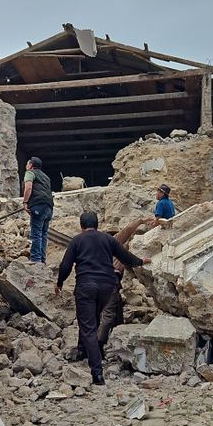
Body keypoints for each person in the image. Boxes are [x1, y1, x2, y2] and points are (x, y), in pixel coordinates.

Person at [55, 211, 150, 385]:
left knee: (88, 327)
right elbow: (126, 257)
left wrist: (60, 283)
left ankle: (97, 372)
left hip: (86, 286)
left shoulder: (77, 240)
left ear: (81, 225)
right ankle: (83, 350)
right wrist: (141, 262)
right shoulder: (108, 239)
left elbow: (66, 265)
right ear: (97, 224)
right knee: (94, 321)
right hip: (107, 286)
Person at [97, 216, 156, 348]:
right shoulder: (114, 241)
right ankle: (99, 342)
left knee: (115, 306)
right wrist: (142, 220)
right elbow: (128, 229)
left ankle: (118, 329)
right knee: (108, 312)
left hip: (98, 281)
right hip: (111, 279)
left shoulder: (100, 248)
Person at [22, 156, 54, 263]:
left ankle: (35, 259)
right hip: (49, 207)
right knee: (43, 234)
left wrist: (25, 202)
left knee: (36, 233)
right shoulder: (46, 177)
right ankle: (42, 260)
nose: (26, 166)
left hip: (38, 206)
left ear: (31, 165)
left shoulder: (30, 173)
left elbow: (28, 188)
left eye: (27, 163)